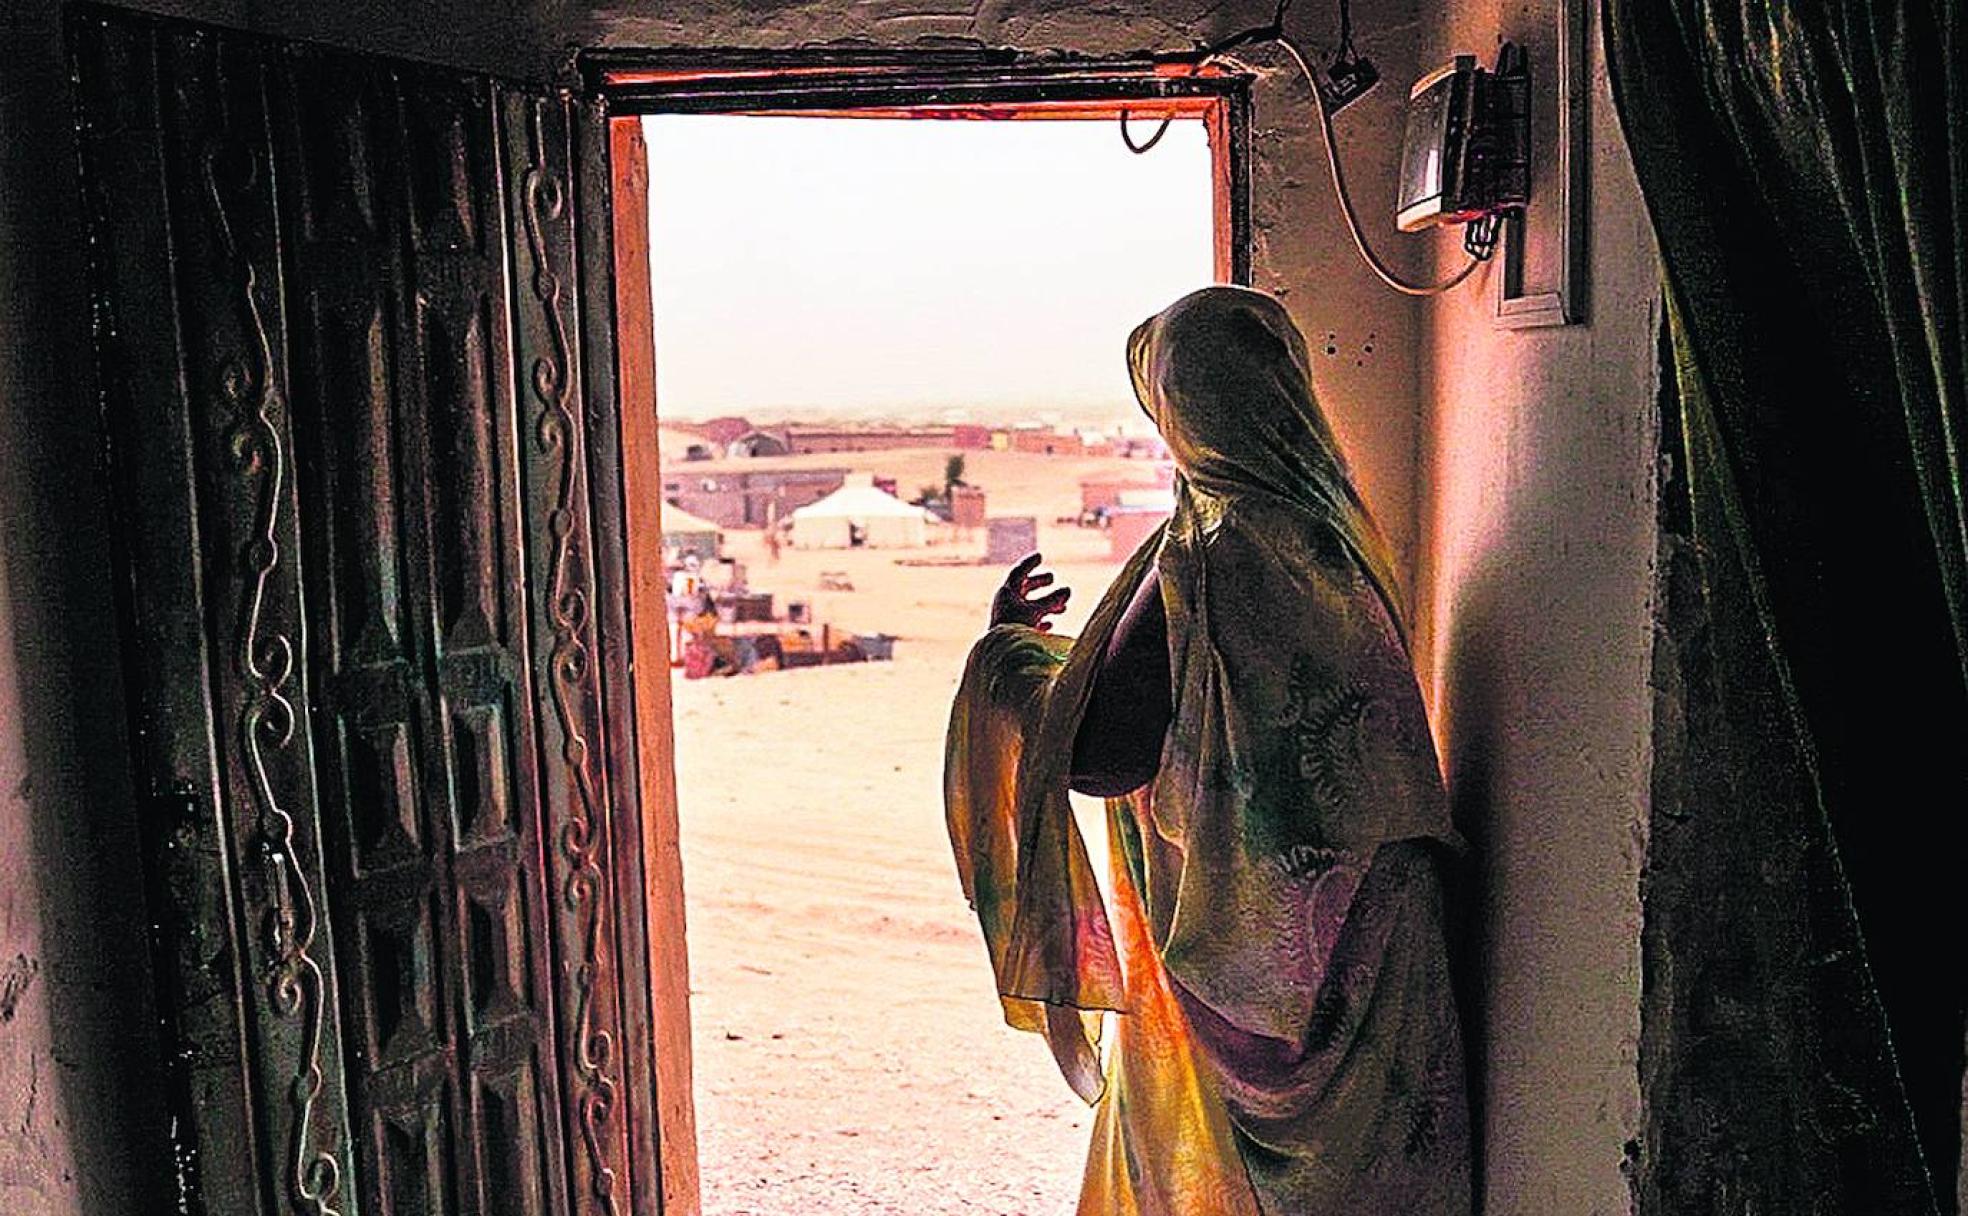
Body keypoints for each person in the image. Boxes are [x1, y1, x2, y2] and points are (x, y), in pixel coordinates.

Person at [945, 286, 1469, 1215]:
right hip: (1381, 939)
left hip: (1255, 970)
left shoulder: (1212, 552)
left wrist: (1013, 662)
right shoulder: (1332, 526)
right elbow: (1223, 705)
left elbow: (1106, 753)